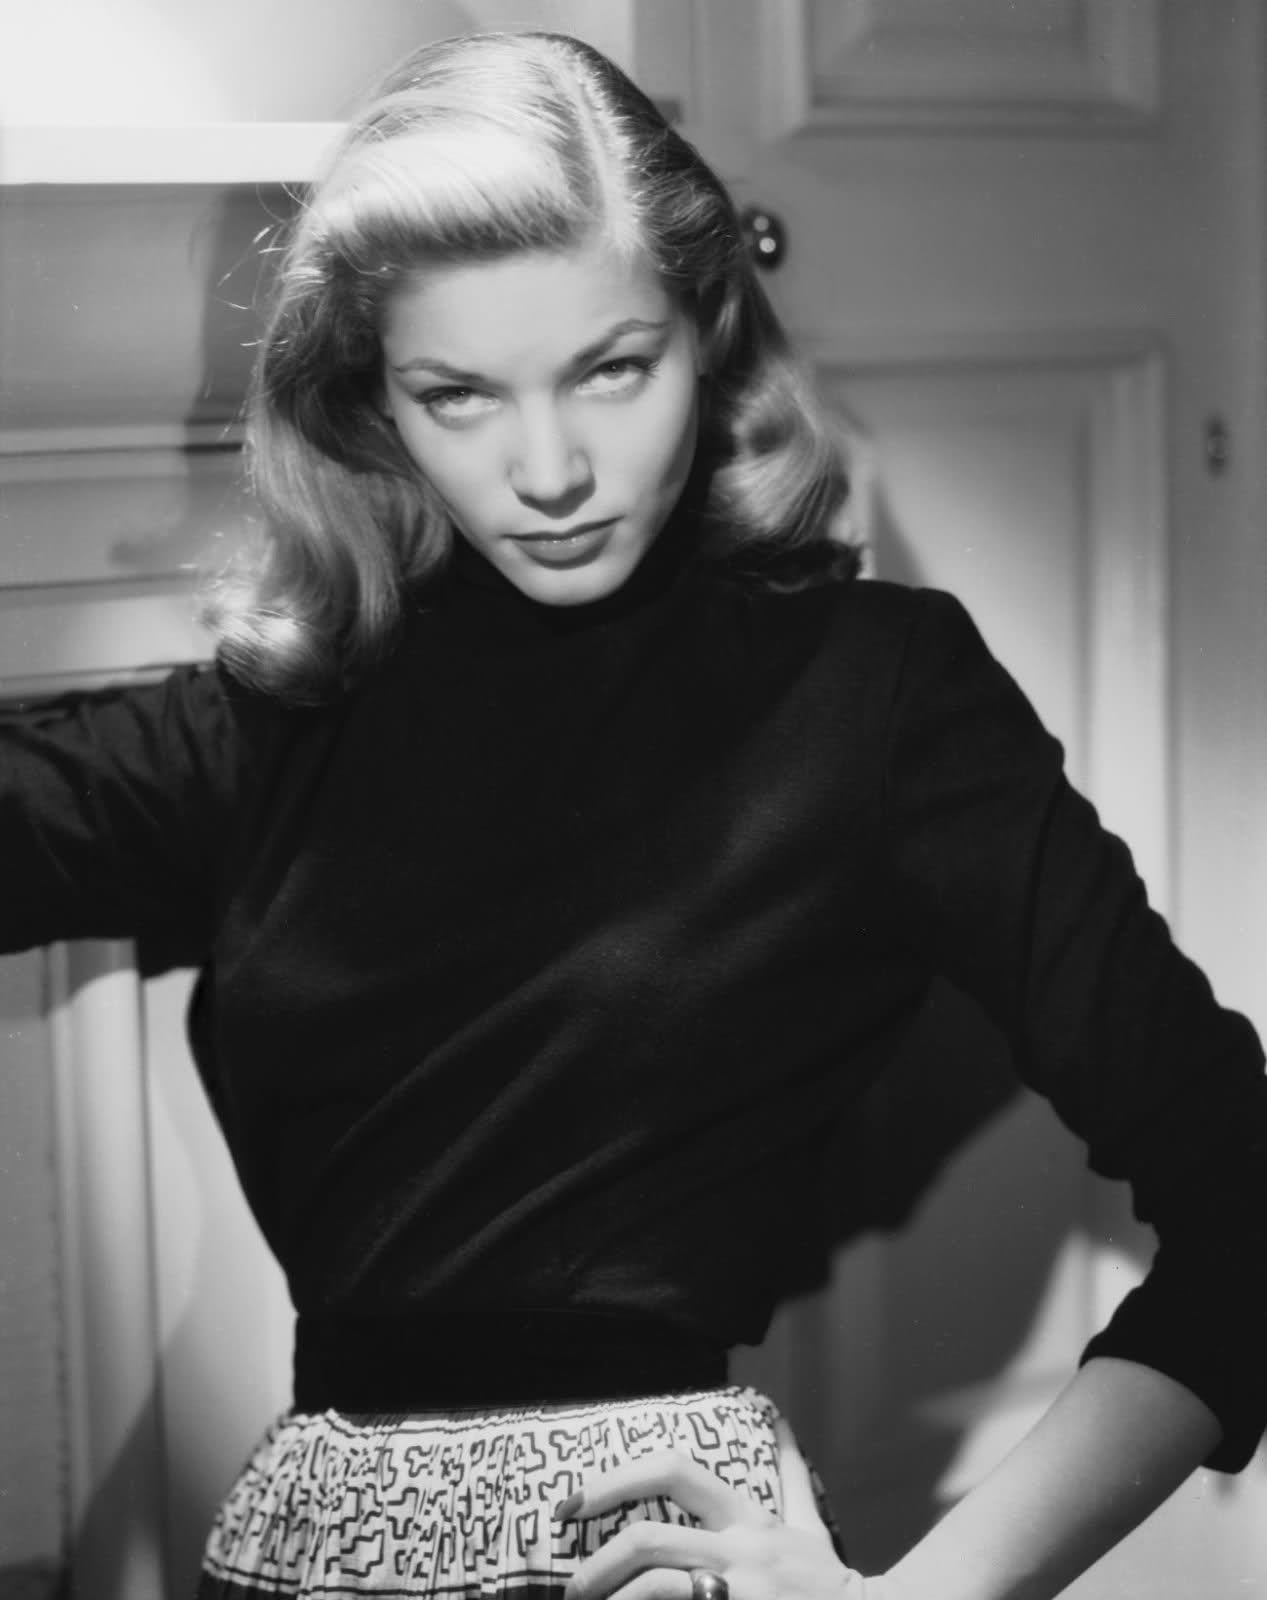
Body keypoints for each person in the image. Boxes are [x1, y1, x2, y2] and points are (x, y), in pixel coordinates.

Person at [3, 27, 1265, 1600]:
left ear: (707, 331)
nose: (550, 470)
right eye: (458, 394)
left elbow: (1247, 1192)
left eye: (611, 367)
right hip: (298, 1556)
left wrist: (937, 1598)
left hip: (661, 1563)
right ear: (372, 400)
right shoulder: (271, 729)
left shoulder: (875, 697)